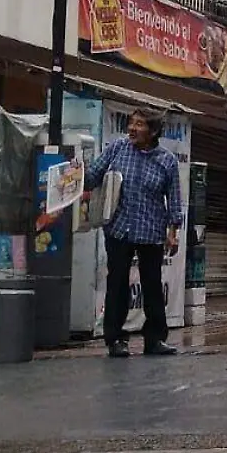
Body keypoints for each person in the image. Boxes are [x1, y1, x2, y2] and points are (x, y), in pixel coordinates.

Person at [83, 109, 182, 358]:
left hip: (150, 231)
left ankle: (155, 339)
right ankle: (115, 339)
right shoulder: (118, 148)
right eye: (131, 123)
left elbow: (175, 199)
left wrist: (173, 232)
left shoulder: (167, 161)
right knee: (117, 283)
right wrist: (71, 179)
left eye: (139, 124)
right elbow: (93, 174)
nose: (132, 129)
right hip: (118, 228)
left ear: (154, 131)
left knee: (152, 285)